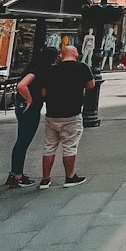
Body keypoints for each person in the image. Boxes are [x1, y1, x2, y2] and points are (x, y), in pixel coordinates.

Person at [39, 45, 94, 188]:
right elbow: (91, 85)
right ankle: (69, 177)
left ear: (61, 55)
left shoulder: (50, 70)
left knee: (49, 147)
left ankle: (45, 179)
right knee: (69, 147)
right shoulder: (82, 68)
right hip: (72, 113)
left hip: (52, 113)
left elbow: (43, 93)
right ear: (75, 54)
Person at [6, 45, 58, 188]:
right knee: (23, 141)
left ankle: (15, 172)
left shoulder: (35, 67)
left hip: (24, 107)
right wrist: (29, 99)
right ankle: (17, 176)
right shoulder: (38, 70)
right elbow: (21, 85)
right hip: (29, 108)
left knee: (21, 141)